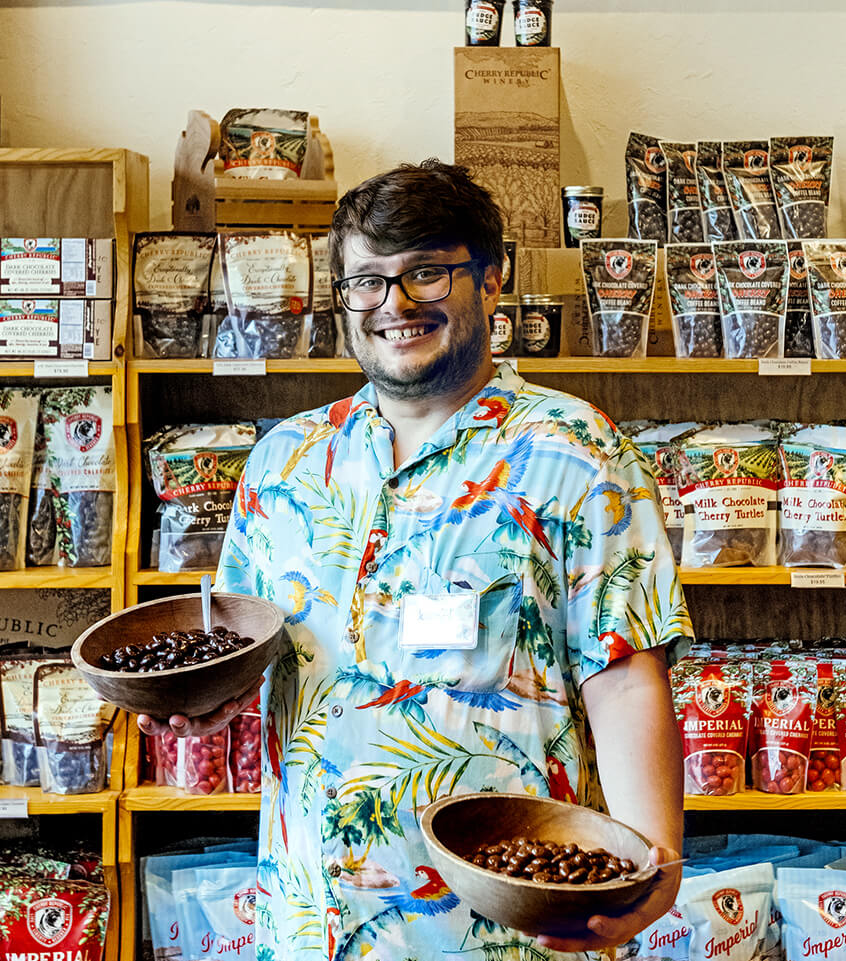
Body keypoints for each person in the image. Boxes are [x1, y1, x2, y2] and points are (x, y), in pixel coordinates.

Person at [139, 159, 693, 961]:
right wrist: (204, 700)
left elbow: (624, 675)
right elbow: (248, 656)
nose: (393, 305)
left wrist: (654, 868)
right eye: (366, 281)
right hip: (309, 923)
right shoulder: (285, 461)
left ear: (492, 280)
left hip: (502, 929)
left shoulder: (575, 452)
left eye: (425, 274)